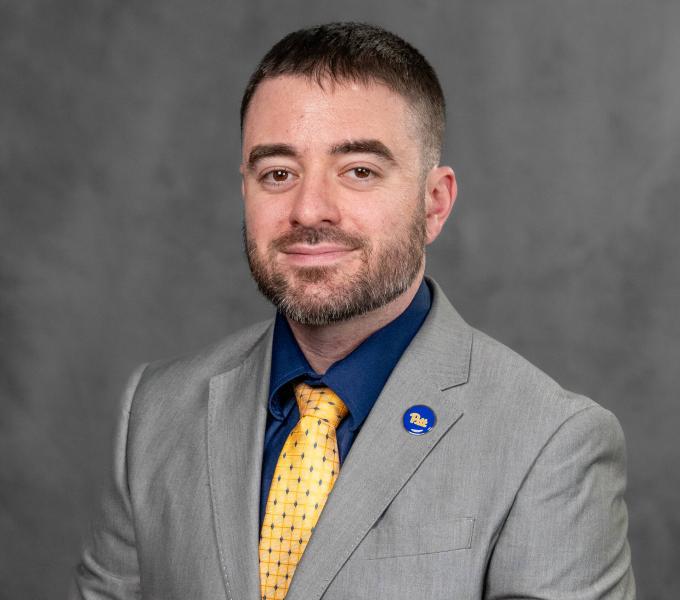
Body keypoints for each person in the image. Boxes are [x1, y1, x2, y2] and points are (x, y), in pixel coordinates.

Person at [70, 22, 635, 600]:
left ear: (433, 203)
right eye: (278, 174)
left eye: (359, 171)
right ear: (246, 191)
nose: (309, 209)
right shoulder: (156, 411)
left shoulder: (552, 443)